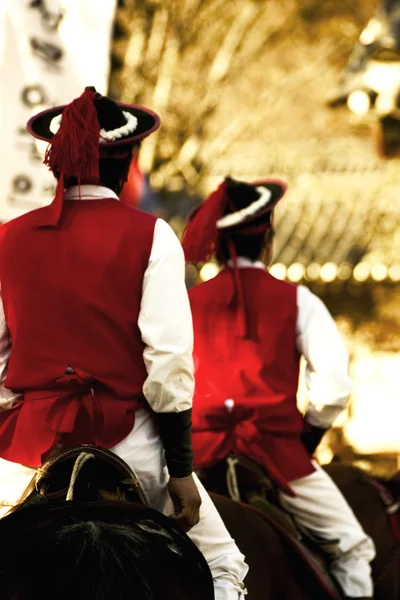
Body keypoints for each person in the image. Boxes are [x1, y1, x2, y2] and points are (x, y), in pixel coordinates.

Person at [0, 88, 247, 599]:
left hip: (27, 447)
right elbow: (169, 362)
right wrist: (179, 471)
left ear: (58, 162)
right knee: (224, 563)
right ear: (127, 164)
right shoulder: (152, 234)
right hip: (129, 442)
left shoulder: (7, 238)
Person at [182, 176, 376, 600]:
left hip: (195, 454)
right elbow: (333, 385)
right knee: (353, 549)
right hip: (273, 452)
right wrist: (311, 432)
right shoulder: (299, 300)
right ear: (268, 240)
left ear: (215, 244)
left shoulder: (186, 303)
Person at [0, 501, 215, 600]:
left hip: (23, 453)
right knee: (223, 559)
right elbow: (172, 407)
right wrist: (181, 472)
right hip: (136, 445)